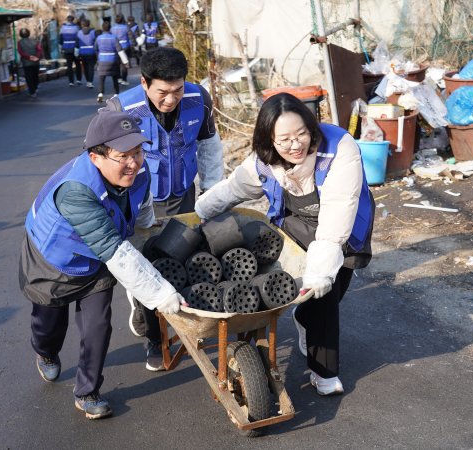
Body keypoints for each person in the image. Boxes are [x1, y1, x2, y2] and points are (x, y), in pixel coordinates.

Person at [194, 93, 374, 396]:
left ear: (311, 127)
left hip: (344, 227)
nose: (296, 145)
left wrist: (320, 273)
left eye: (302, 133)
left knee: (329, 287)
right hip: (296, 226)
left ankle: (304, 318)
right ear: (269, 140)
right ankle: (324, 372)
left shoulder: (340, 148)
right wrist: (200, 212)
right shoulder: (263, 162)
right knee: (323, 304)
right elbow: (234, 189)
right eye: (285, 139)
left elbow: (336, 219)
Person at [19, 110, 187, 420]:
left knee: (97, 325)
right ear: (96, 157)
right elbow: (115, 252)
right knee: (48, 325)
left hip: (98, 258)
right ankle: (45, 351)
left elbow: (143, 201)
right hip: (55, 259)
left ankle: (87, 391)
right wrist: (164, 296)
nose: (134, 162)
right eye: (123, 155)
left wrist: (149, 227)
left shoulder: (137, 172)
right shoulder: (76, 191)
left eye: (138, 152)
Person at [103, 46, 223, 371]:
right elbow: (102, 162)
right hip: (140, 203)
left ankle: (185, 321)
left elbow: (209, 145)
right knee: (146, 267)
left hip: (183, 196)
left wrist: (212, 191)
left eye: (178, 90)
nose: (171, 99)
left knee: (179, 261)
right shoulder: (120, 109)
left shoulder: (199, 99)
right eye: (163, 92)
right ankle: (155, 340)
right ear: (144, 83)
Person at [94, 21, 127, 104]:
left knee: (101, 78)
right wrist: (125, 61)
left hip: (102, 60)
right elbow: (119, 49)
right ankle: (116, 94)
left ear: (102, 28)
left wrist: (98, 59)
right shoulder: (114, 37)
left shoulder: (98, 38)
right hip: (113, 60)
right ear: (110, 28)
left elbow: (96, 49)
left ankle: (101, 93)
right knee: (115, 78)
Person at [17, 28, 43, 97]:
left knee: (29, 77)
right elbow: (39, 50)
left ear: (20, 35)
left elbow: (21, 52)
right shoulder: (35, 41)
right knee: (35, 75)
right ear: (29, 33)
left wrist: (29, 57)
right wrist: (36, 57)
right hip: (35, 62)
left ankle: (32, 92)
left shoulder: (19, 42)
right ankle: (35, 87)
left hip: (26, 62)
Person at [110, 14, 134, 85]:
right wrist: (133, 45)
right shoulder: (126, 27)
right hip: (125, 47)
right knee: (124, 63)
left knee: (117, 64)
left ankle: (118, 78)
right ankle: (124, 79)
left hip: (116, 48)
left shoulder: (112, 28)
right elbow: (131, 37)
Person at [59, 15, 82, 86]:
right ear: (73, 20)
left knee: (69, 65)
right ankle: (78, 80)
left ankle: (71, 82)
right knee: (78, 64)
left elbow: (60, 39)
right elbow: (79, 38)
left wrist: (61, 48)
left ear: (67, 20)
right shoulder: (76, 27)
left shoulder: (62, 28)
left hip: (66, 48)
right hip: (75, 48)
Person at [76, 20, 97, 88]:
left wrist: (77, 53)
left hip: (82, 52)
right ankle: (90, 82)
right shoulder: (93, 32)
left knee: (85, 67)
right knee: (91, 67)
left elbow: (77, 43)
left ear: (82, 25)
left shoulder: (79, 32)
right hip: (91, 52)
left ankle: (87, 81)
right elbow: (95, 42)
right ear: (89, 24)